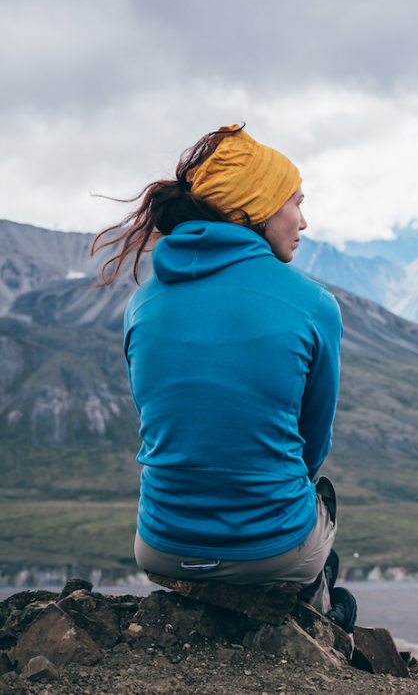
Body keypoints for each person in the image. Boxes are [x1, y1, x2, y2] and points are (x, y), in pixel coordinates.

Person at [92, 124, 355, 631]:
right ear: (256, 209)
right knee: (318, 495)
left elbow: (168, 422)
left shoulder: (142, 304)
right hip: (273, 549)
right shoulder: (312, 303)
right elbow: (311, 445)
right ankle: (318, 607)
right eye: (295, 202)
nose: (304, 220)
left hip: (160, 545)